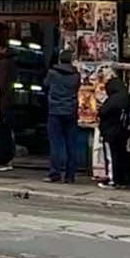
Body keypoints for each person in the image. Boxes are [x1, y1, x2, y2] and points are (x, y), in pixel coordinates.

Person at [43, 47, 81, 184]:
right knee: (71, 144)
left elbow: (45, 86)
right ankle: (70, 175)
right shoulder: (76, 75)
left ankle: (55, 173)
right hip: (70, 111)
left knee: (56, 143)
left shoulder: (52, 73)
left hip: (55, 111)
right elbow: (77, 89)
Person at [97, 74, 130, 189]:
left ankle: (113, 180)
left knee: (111, 156)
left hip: (111, 132)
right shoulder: (128, 97)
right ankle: (122, 179)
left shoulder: (113, 99)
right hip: (123, 131)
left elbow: (103, 112)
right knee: (121, 155)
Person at [0, 25, 16, 169]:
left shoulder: (3, 63)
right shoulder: (10, 61)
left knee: (1, 132)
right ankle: (6, 158)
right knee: (5, 131)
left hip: (2, 104)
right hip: (8, 102)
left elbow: (0, 85)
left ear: (1, 49)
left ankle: (2, 159)